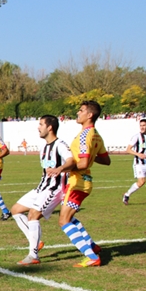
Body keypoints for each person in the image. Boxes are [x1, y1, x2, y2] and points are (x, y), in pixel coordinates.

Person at [48, 100, 111, 268]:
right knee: (69, 217)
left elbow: (82, 164)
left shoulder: (85, 135)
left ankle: (91, 256)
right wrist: (90, 156)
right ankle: (92, 246)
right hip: (83, 182)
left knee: (63, 221)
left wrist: (61, 168)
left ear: (89, 115)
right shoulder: (96, 135)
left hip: (77, 181)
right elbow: (106, 160)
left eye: (81, 110)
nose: (78, 113)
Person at [10, 115, 73, 265]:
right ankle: (35, 242)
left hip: (54, 189)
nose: (38, 127)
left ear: (50, 127)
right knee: (15, 210)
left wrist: (61, 168)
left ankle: (33, 256)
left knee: (33, 215)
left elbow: (71, 160)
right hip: (41, 187)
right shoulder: (44, 147)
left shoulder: (61, 145)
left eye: (41, 124)